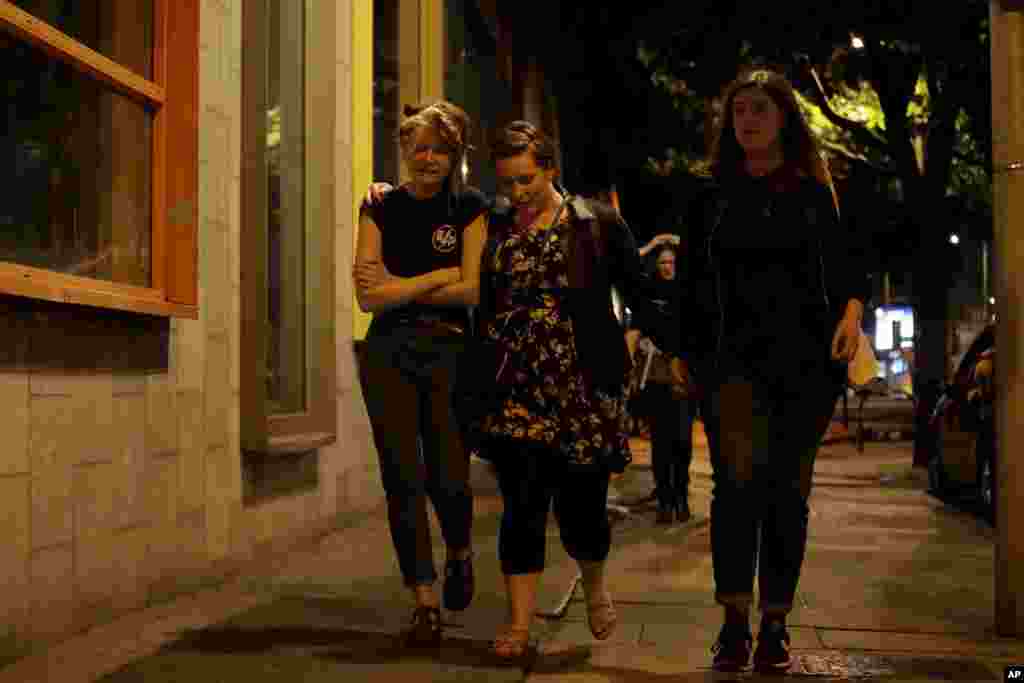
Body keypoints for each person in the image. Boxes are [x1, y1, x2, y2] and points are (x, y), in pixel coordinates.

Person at [669, 69, 869, 673]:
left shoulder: (813, 193)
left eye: (760, 110)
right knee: (735, 485)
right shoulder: (709, 195)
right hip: (729, 361)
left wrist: (853, 315)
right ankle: (734, 621)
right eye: (739, 112)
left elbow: (846, 270)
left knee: (788, 493)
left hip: (805, 366)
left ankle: (775, 624)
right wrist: (681, 349)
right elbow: (690, 284)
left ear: (783, 119)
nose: (748, 120)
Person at [474, 121, 655, 659]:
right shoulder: (495, 222)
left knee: (582, 510)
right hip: (515, 389)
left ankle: (595, 587)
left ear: (551, 169)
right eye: (508, 182)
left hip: (581, 390)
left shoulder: (595, 222)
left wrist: (629, 339)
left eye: (527, 179)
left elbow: (639, 293)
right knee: (521, 506)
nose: (518, 192)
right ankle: (519, 626)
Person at [353, 101, 488, 647]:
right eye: (418, 148)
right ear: (405, 152)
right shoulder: (380, 206)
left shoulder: (470, 206)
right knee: (401, 478)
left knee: (449, 476)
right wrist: (439, 275)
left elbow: (474, 290)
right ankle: (423, 600)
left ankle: (459, 550)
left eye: (439, 149)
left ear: (454, 154)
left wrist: (398, 286)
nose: (427, 158)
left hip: (450, 350)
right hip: (387, 352)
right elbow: (367, 297)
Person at [632, 241, 695, 524]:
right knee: (661, 441)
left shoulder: (689, 292)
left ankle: (681, 495)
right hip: (657, 372)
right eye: (663, 263)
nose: (668, 268)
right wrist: (654, 244)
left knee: (682, 440)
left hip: (682, 373)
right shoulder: (648, 294)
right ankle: (666, 499)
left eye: (672, 263)